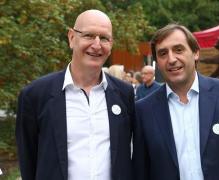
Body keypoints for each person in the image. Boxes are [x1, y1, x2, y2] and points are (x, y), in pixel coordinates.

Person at [132, 24, 219, 180]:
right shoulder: (143, 110)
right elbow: (141, 171)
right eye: (163, 53)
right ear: (157, 61)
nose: (171, 59)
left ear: (196, 53)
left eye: (178, 50)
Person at [16, 9, 135, 180]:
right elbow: (28, 160)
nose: (96, 44)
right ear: (72, 38)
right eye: (88, 35)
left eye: (104, 38)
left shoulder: (124, 94)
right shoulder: (35, 95)